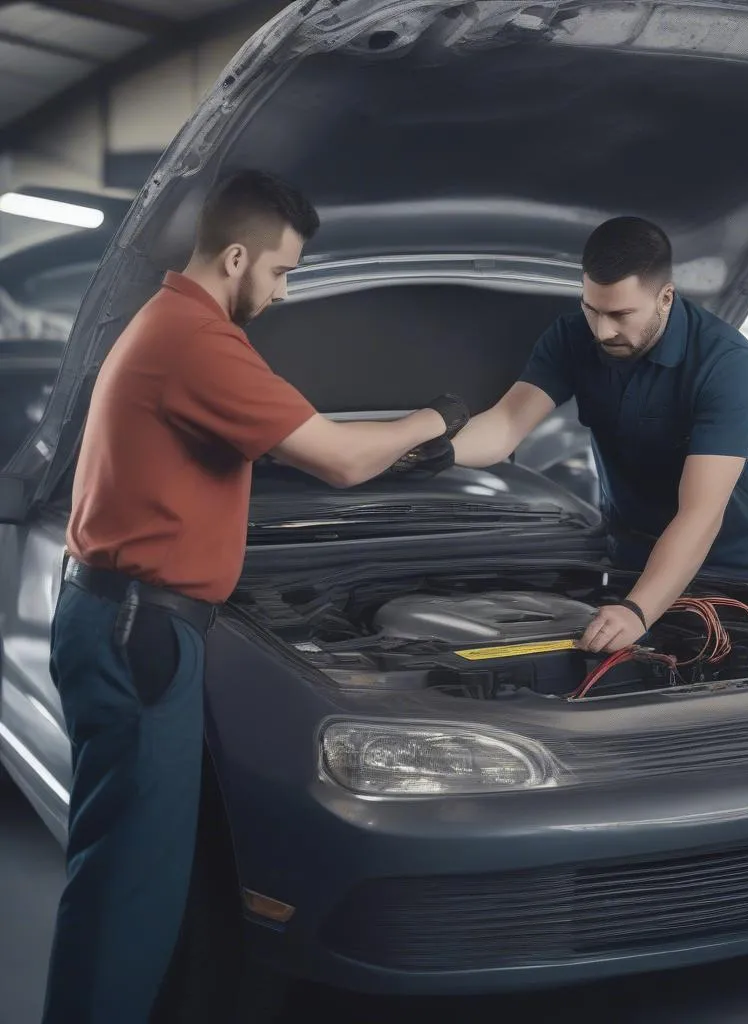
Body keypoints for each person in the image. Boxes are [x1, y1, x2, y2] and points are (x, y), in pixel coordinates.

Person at [41, 169, 468, 1023]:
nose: (283, 290)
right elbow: (342, 460)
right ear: (236, 257)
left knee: (138, 873)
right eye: (281, 272)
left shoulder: (169, 326)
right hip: (141, 628)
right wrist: (435, 421)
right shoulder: (196, 340)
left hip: (126, 619)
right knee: (130, 888)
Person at [449, 216, 748, 654]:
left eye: (620, 314)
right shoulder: (573, 339)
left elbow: (701, 514)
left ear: (665, 297)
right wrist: (415, 450)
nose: (602, 330)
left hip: (744, 577)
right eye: (591, 308)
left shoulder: (725, 362)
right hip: (632, 567)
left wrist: (638, 610)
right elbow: (503, 427)